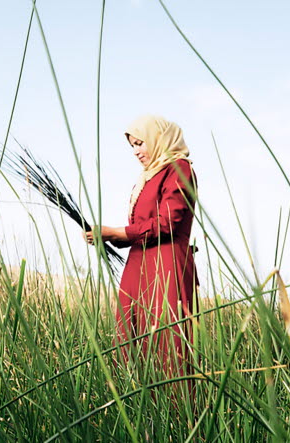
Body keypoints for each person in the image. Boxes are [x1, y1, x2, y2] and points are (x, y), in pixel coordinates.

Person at [85, 114, 198, 376]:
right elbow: (142, 227)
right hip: (139, 263)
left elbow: (168, 222)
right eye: (132, 146)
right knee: (129, 335)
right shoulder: (147, 176)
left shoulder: (179, 168)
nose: (136, 152)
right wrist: (108, 236)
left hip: (166, 263)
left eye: (140, 143)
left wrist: (117, 232)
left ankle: (177, 414)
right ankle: (137, 408)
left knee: (168, 341)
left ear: (159, 139)